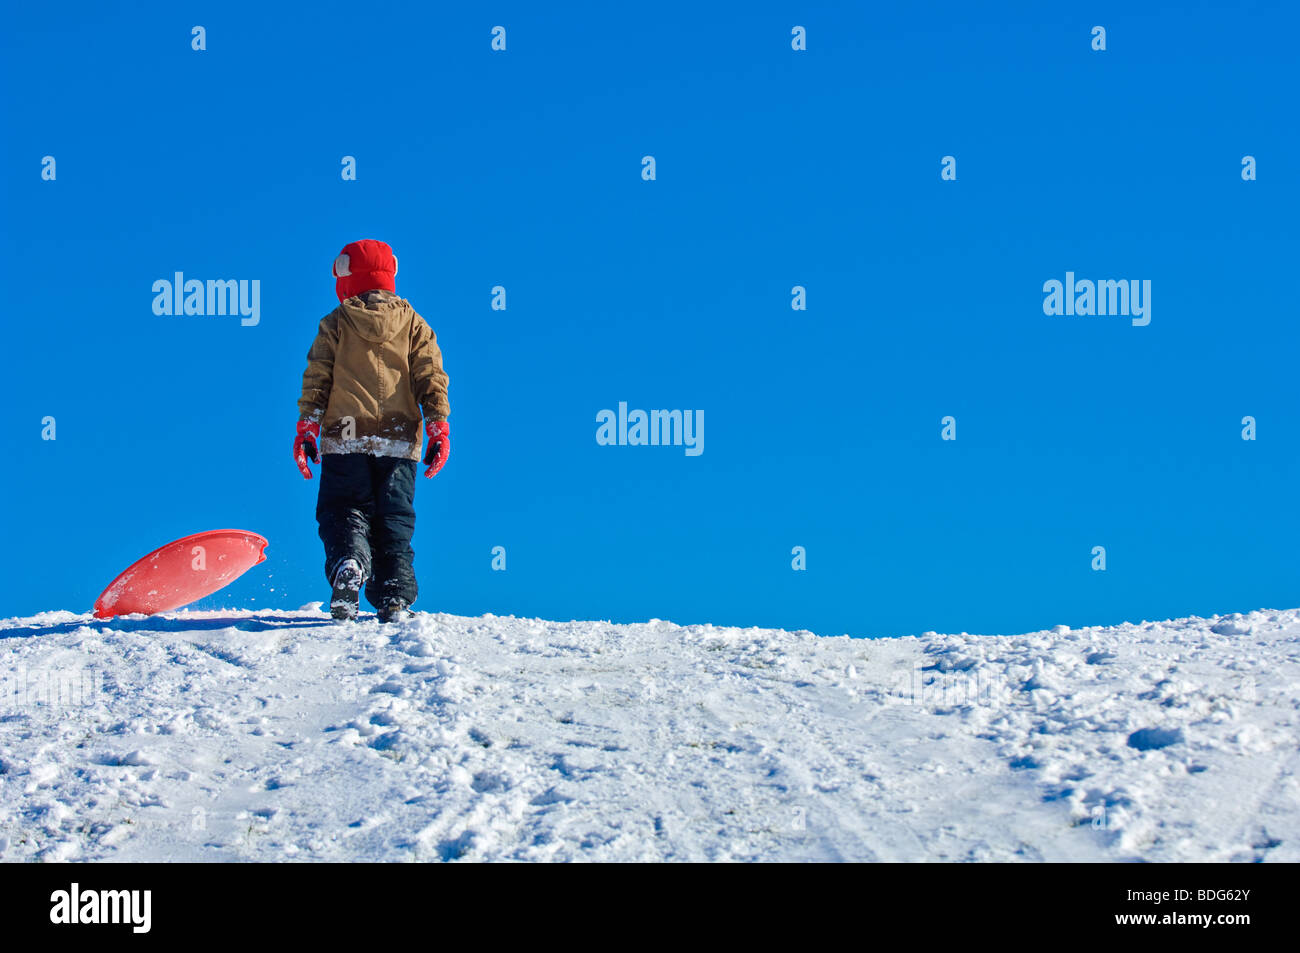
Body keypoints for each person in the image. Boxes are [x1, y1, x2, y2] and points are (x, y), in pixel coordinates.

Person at [292, 239, 450, 622]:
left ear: (347, 276)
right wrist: (438, 427)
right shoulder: (414, 324)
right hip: (398, 440)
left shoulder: (335, 323)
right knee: (393, 519)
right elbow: (431, 377)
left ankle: (350, 560)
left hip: (346, 438)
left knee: (344, 508)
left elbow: (318, 378)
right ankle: (394, 595)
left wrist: (307, 427)